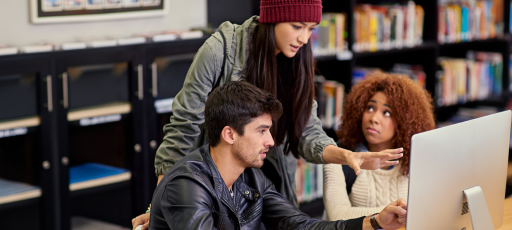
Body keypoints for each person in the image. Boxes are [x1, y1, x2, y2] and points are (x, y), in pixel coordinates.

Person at [133, 0, 402, 228]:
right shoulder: (222, 50)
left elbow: (308, 134)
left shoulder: (299, 62)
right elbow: (183, 127)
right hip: (217, 171)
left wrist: (347, 156)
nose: (304, 38)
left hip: (263, 174)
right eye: (297, 27)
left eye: (311, 29)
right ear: (272, 19)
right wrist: (159, 206)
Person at [148, 80, 407, 230]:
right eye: (261, 131)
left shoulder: (252, 178)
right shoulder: (187, 185)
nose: (271, 141)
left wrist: (376, 222)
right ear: (229, 134)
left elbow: (301, 226)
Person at [323, 73, 435, 220]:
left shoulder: (416, 158)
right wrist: (398, 212)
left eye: (387, 113)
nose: (374, 118)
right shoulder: (338, 156)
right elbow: (338, 216)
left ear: (404, 121)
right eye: (370, 108)